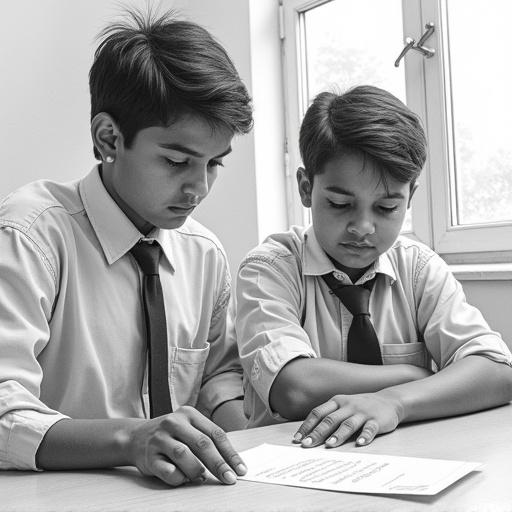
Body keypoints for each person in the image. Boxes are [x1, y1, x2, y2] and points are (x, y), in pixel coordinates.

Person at [0, 9, 253, 487]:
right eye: (177, 161)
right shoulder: (32, 235)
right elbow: (2, 410)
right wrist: (132, 438)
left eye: (215, 164)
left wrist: (253, 442)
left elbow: (219, 378)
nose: (199, 188)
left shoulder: (203, 254)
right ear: (109, 138)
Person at [235, 85, 512, 448]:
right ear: (306, 188)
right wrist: (413, 374)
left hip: (405, 460)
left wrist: (394, 401)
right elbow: (294, 387)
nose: (362, 228)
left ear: (410, 197)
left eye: (385, 209)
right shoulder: (269, 269)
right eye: (339, 204)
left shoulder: (418, 269)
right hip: (290, 468)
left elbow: (496, 371)